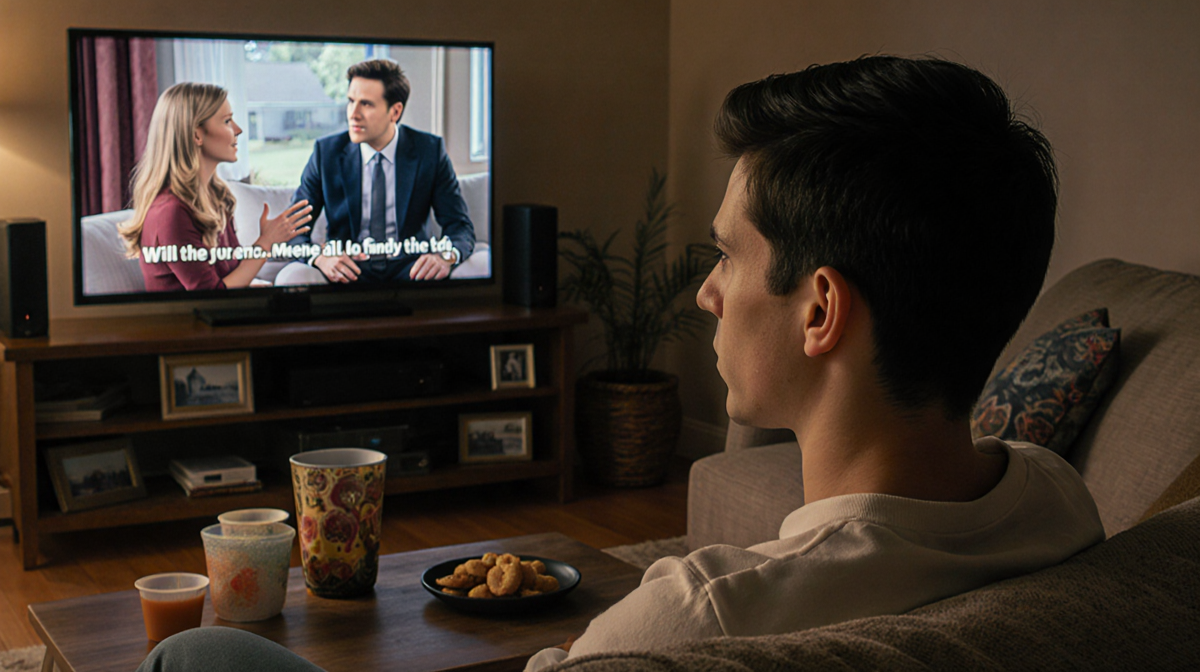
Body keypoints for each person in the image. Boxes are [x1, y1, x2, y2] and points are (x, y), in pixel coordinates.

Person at [135, 55, 1105, 672]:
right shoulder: (1058, 499)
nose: (705, 294)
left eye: (726, 256)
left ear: (820, 310)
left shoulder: (694, 618)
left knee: (197, 655)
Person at [287, 58, 476, 284]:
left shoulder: (429, 151)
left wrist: (446, 256)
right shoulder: (325, 153)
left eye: (366, 104)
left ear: (395, 112)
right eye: (350, 101)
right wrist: (320, 258)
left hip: (412, 270)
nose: (353, 114)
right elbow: (293, 231)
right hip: (346, 272)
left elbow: (459, 226)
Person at [119, 82, 312, 291]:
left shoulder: (215, 196)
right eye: (227, 121)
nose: (238, 130)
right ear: (196, 135)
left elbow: (235, 273)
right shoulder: (171, 213)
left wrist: (265, 244)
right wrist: (266, 243)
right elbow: (213, 296)